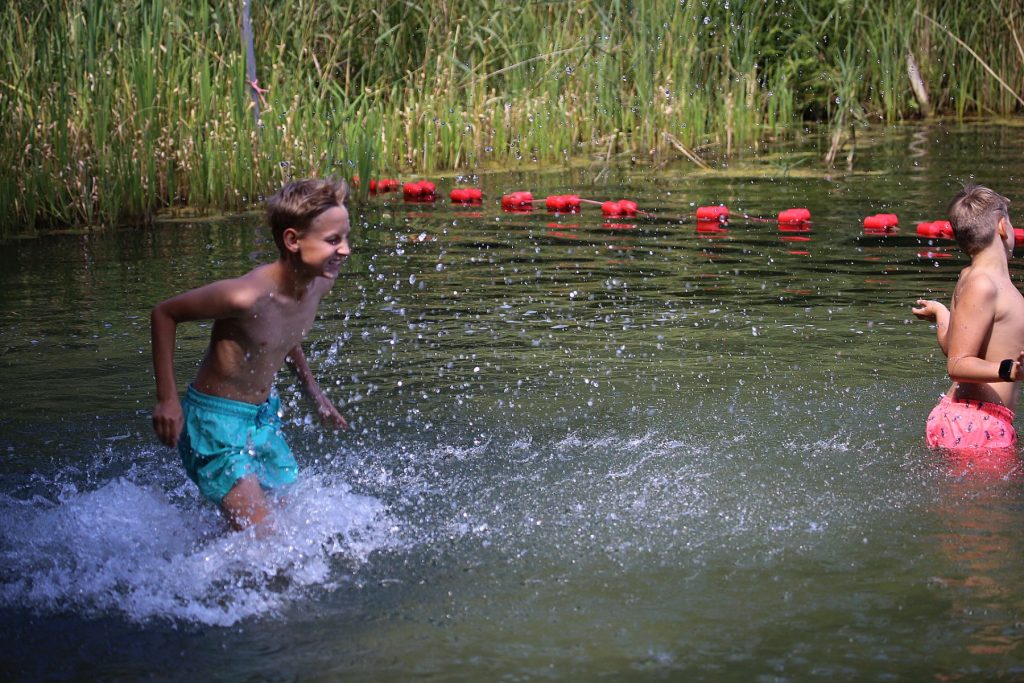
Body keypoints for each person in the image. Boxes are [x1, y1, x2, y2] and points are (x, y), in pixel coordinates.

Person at [151, 178, 350, 530]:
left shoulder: (319, 283)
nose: (345, 250)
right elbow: (164, 314)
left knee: (293, 524)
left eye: (346, 238)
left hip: (262, 418)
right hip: (215, 424)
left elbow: (284, 335)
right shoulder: (246, 296)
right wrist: (168, 400)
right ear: (293, 240)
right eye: (333, 240)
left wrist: (314, 395)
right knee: (266, 540)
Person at [912, 184, 1024, 452]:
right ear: (1002, 226)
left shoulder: (972, 278)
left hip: (970, 420)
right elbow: (958, 364)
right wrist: (1009, 370)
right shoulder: (983, 284)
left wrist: (942, 314)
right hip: (978, 423)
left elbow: (954, 347)